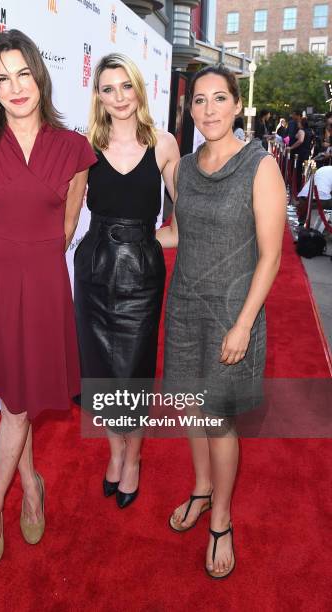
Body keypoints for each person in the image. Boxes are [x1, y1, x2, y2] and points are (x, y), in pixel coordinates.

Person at [0, 29, 97, 568]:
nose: (14, 87)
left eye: (22, 73)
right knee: (17, 398)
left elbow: (69, 222)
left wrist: (33, 262)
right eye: (1, 78)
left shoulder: (74, 149)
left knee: (19, 401)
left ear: (39, 74)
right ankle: (22, 488)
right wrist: (2, 264)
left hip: (45, 281)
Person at [156, 64, 286, 579]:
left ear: (236, 106)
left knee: (220, 420)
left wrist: (243, 323)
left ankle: (222, 521)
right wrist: (127, 239)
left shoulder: (261, 166)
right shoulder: (185, 170)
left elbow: (271, 255)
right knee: (192, 411)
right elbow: (179, 233)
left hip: (233, 313)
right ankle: (201, 490)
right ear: (191, 111)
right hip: (184, 305)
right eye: (200, 102)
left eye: (219, 99)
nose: (209, 110)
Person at [74, 53, 179, 508]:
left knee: (133, 374)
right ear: (97, 96)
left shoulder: (163, 142)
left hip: (140, 273)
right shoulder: (85, 145)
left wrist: (149, 240)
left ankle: (133, 459)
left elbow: (185, 215)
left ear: (139, 88)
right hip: (94, 271)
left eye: (125, 86)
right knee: (100, 373)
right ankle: (115, 453)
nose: (118, 97)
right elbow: (66, 211)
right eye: (107, 88)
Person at [287, 116, 314, 192]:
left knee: (298, 171)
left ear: (301, 123)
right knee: (303, 171)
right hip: (306, 152)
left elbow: (300, 141)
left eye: (299, 122)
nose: (297, 124)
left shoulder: (301, 131)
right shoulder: (310, 131)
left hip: (299, 153)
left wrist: (291, 147)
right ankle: (300, 187)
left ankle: (297, 188)